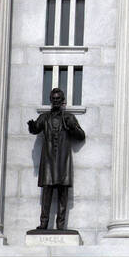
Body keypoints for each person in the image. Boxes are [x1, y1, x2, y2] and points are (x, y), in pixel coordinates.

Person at [27, 88, 85, 231]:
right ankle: (43, 223)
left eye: (58, 99)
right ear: (50, 100)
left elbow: (81, 135)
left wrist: (72, 127)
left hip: (63, 161)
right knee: (46, 193)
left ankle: (61, 225)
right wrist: (31, 126)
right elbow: (36, 129)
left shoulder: (69, 117)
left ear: (63, 100)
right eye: (54, 99)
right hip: (48, 160)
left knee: (62, 194)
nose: (56, 101)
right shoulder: (44, 117)